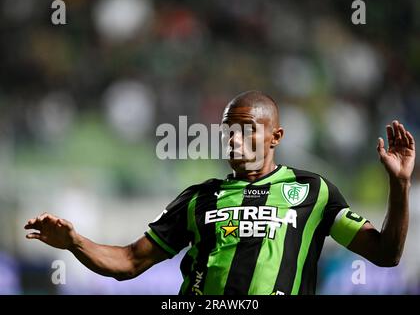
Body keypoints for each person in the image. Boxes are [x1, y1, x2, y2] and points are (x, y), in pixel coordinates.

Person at [24, 91, 416, 295]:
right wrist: (75, 242)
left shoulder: (313, 191)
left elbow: (385, 254)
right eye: (229, 130)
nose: (234, 139)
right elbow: (128, 262)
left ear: (276, 136)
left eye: (247, 129)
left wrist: (399, 186)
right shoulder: (197, 199)